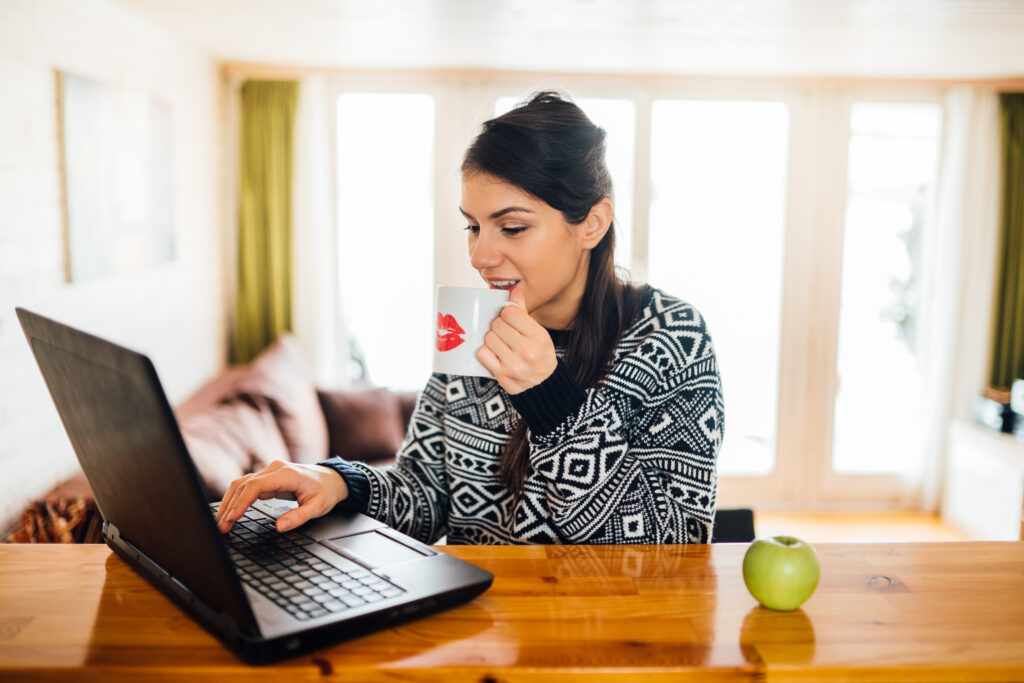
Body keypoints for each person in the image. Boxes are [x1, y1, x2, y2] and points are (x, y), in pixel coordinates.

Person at [216, 91, 724, 545]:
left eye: (513, 227)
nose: (481, 256)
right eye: (474, 227)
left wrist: (553, 401)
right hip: (481, 632)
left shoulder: (671, 338)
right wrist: (341, 482)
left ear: (591, 223)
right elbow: (424, 495)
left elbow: (671, 547)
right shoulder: (471, 324)